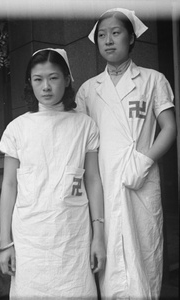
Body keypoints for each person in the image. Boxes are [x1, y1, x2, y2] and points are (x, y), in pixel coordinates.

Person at [76, 8, 177, 300]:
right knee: (107, 261)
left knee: (144, 254)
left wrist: (143, 160)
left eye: (116, 33)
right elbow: (82, 140)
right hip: (103, 182)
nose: (108, 40)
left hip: (140, 179)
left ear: (131, 38)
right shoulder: (87, 90)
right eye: (102, 35)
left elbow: (169, 128)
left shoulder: (153, 80)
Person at [0, 48, 106, 299]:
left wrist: (98, 236)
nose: (46, 86)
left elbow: (93, 180)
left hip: (73, 239)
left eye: (53, 78)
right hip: (29, 242)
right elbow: (10, 185)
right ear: (30, 83)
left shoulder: (85, 125)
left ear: (67, 80)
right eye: (38, 79)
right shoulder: (17, 128)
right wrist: (5, 243)